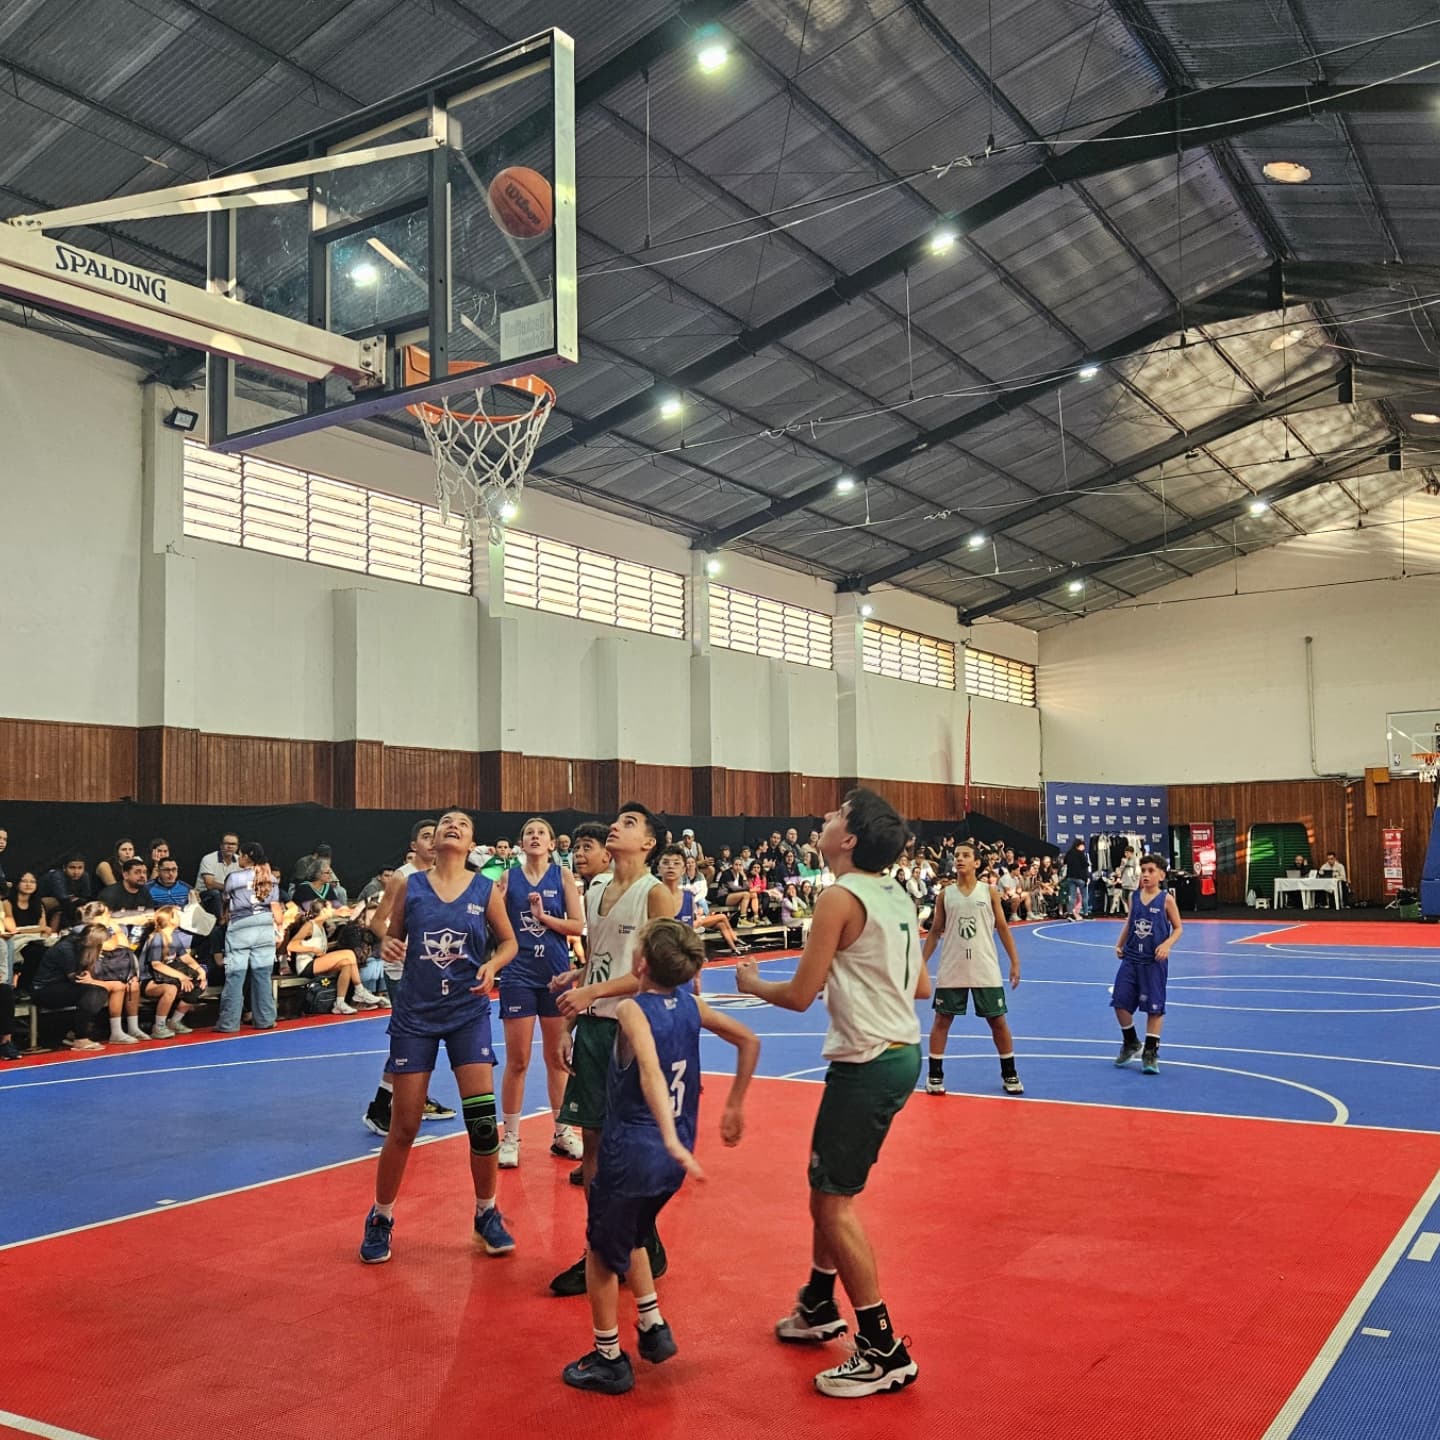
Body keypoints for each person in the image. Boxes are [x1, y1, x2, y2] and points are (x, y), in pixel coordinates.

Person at [736, 788, 927, 1399]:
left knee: (833, 1206)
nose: (825, 817)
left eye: (837, 814)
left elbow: (798, 996)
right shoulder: (894, 893)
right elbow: (920, 985)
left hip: (867, 1061)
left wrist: (752, 983)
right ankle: (819, 1303)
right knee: (828, 1192)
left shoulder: (839, 898)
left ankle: (882, 1349)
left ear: (849, 839)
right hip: (897, 1053)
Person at [562, 918, 759, 1395]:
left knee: (600, 1253)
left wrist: (666, 1134)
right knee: (634, 1231)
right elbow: (750, 1040)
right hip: (674, 1160)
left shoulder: (632, 1009)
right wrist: (734, 1103)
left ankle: (609, 1358)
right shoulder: (692, 1005)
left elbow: (649, 1067)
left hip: (635, 1152)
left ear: (641, 963)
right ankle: (652, 1324)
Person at [359, 808, 518, 1265]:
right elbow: (387, 931)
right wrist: (387, 943)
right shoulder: (410, 885)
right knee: (404, 1125)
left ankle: (486, 1212)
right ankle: (381, 1216)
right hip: (416, 1014)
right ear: (431, 840)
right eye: (446, 821)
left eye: (463, 824)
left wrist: (493, 965)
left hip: (468, 1013)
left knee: (483, 1122)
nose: (453, 826)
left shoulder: (484, 889)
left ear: (471, 843)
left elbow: (509, 942)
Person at [548, 803, 677, 1297]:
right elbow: (604, 960)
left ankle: (633, 1240)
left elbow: (655, 974)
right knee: (594, 1150)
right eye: (617, 821)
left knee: (629, 1150)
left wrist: (591, 992)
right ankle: (601, 1251)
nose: (615, 827)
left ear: (648, 843)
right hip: (595, 1029)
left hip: (633, 1032)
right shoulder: (597, 887)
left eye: (628, 823)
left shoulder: (655, 894)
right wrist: (574, 1012)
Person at [496, 816, 587, 1169]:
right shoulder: (508, 878)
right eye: (529, 833)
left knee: (557, 1057)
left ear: (551, 843)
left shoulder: (562, 876)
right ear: (521, 843)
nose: (535, 837)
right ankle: (510, 1137)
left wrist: (544, 917)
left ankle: (563, 1131)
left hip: (556, 975)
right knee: (518, 1060)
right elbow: (496, 927)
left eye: (541, 833)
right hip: (518, 974)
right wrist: (497, 904)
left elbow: (577, 925)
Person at [362, 820, 457, 1137]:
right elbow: (377, 922)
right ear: (414, 845)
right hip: (403, 970)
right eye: (425, 837)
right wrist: (391, 942)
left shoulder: (442, 876)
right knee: (409, 1039)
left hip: (432, 969)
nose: (432, 842)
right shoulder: (403, 878)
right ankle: (379, 1107)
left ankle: (416, 1098)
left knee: (425, 1039)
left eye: (435, 836)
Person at [921, 842, 1023, 1097]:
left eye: (966, 855)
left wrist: (1014, 961)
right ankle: (934, 1075)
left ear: (977, 863)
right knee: (942, 1019)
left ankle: (1010, 1073)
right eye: (957, 855)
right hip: (953, 965)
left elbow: (1002, 927)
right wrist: (920, 963)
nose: (960, 859)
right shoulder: (945, 895)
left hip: (984, 965)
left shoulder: (989, 892)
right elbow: (935, 931)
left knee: (997, 1021)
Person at [1112, 854, 1183, 1076]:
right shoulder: (1134, 897)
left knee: (1155, 1007)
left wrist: (1167, 944)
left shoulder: (1166, 900)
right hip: (1131, 957)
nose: (1145, 874)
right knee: (1119, 1002)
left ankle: (1150, 1051)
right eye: (1143, 870)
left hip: (1153, 961)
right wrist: (1119, 944)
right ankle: (1131, 1041)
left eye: (1151, 871)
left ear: (1161, 875)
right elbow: (1129, 922)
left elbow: (1178, 928)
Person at [217, 842, 282, 1033]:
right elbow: (276, 909)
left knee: (236, 975)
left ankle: (229, 1023)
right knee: (262, 975)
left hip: (241, 926)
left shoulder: (234, 877)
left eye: (240, 854)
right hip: (264, 926)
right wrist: (279, 930)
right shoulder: (271, 878)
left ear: (246, 856)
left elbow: (226, 902)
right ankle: (265, 1019)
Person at [285, 901, 383, 1013]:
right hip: (306, 965)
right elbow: (291, 945)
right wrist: (313, 949)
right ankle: (359, 990)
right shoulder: (309, 925)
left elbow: (322, 946)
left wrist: (337, 943)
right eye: (329, 908)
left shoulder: (322, 927)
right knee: (349, 953)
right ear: (323, 911)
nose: (332, 910)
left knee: (346, 963)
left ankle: (340, 1003)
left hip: (317, 961)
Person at [140, 905, 208, 1038]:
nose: (180, 917)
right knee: (170, 989)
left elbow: (185, 957)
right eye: (176, 915)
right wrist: (181, 977)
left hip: (169, 976)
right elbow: (156, 965)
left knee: (199, 983)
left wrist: (200, 970)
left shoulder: (174, 936)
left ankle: (174, 1021)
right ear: (169, 919)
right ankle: (158, 1026)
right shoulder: (157, 938)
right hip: (150, 980)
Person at [1062, 839, 1090, 920]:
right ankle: (1085, 914)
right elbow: (1085, 865)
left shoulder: (1069, 853)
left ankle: (1070, 914)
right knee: (1084, 896)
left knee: (1072, 897)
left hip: (1070, 877)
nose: (1084, 847)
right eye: (1083, 845)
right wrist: (1086, 879)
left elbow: (1065, 862)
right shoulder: (1081, 854)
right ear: (1079, 845)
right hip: (1080, 878)